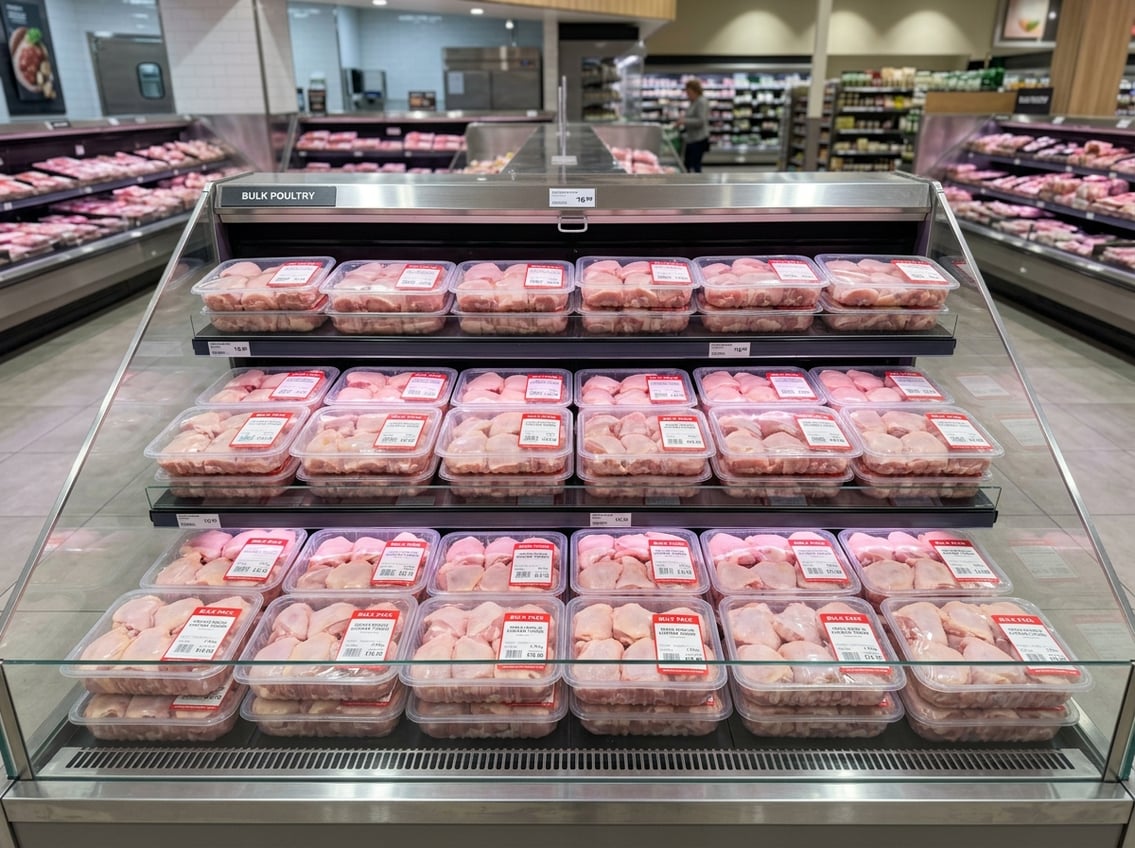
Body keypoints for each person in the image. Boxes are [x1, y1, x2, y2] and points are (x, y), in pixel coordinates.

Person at [678, 79, 709, 172]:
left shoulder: (701, 101)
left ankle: (697, 184)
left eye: (688, 91)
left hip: (698, 139)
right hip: (692, 138)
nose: (687, 94)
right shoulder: (694, 101)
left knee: (695, 165)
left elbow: (701, 121)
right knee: (688, 163)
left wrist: (684, 121)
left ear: (694, 90)